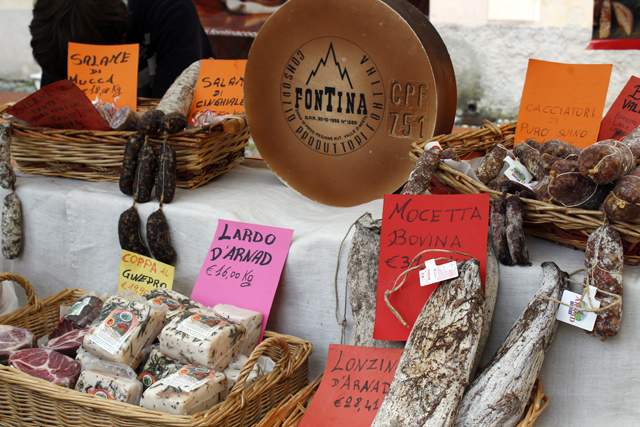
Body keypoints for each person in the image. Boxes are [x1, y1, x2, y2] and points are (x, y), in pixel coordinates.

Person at [30, 0, 216, 98]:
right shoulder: (61, 34)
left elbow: (170, 123)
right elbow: (55, 117)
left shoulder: (170, 11)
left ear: (121, 37)